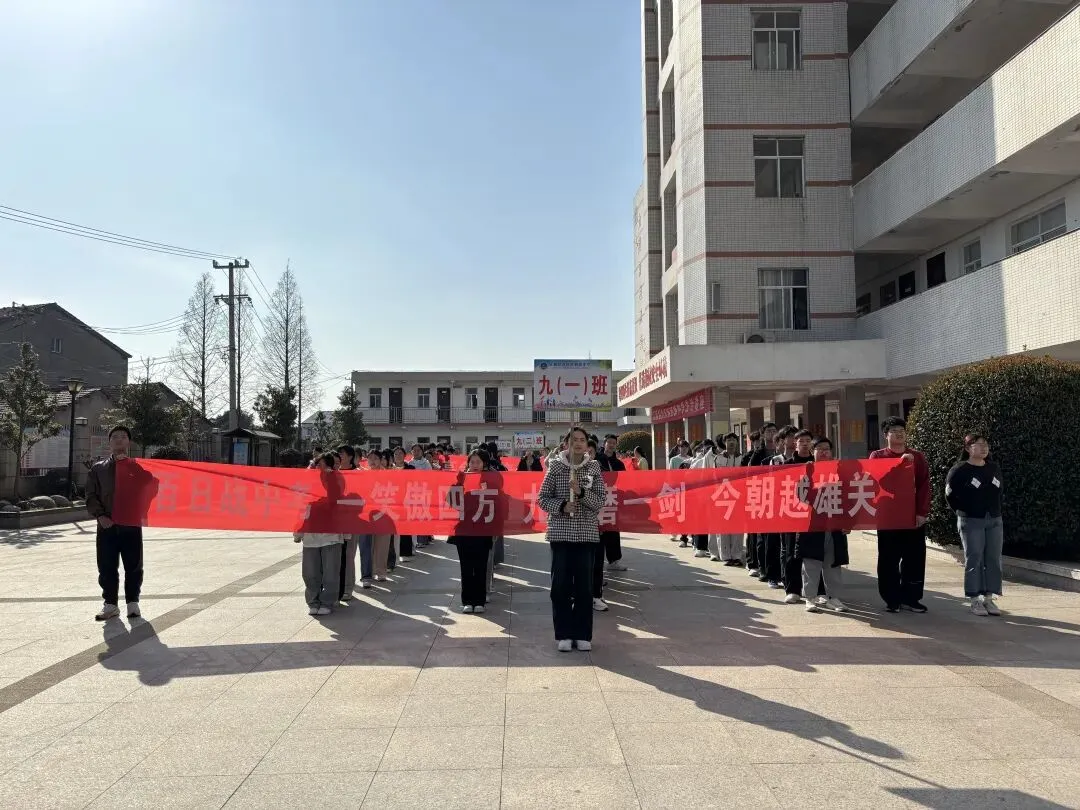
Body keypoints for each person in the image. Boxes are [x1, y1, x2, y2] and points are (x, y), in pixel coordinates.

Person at [538, 426, 607, 652]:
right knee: (560, 587)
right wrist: (561, 505)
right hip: (560, 534)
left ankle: (582, 634)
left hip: (586, 534)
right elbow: (542, 498)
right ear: (566, 443)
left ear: (587, 445)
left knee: (585, 588)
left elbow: (599, 502)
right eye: (574, 439)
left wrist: (581, 493)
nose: (578, 443)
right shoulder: (556, 466)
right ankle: (564, 634)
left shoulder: (593, 467)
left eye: (582, 440)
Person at [870, 417, 931, 613]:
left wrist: (922, 512)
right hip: (888, 518)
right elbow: (876, 481)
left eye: (902, 430)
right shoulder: (877, 456)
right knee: (889, 558)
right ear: (885, 435)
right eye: (894, 430)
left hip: (912, 517)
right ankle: (892, 598)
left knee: (914, 558)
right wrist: (899, 464)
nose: (899, 433)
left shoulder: (918, 457)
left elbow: (924, 486)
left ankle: (911, 598)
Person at [86, 425, 145, 621]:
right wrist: (101, 516)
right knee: (107, 565)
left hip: (131, 525)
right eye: (115, 437)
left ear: (129, 442)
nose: (119, 440)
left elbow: (150, 486)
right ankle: (110, 604)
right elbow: (91, 495)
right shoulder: (98, 468)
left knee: (133, 565)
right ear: (109, 442)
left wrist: (131, 466)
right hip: (107, 525)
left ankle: (132, 603)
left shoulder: (138, 467)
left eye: (123, 437)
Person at [946, 433, 1003, 617]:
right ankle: (974, 599)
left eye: (985, 444)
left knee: (993, 558)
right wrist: (962, 511)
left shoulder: (993, 468)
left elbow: (999, 491)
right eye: (978, 444)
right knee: (974, 558)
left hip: (994, 519)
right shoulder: (959, 470)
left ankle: (989, 597)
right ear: (968, 448)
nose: (983, 447)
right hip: (971, 520)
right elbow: (949, 494)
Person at [797, 436, 849, 613]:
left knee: (833, 563)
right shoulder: (806, 470)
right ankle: (810, 597)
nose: (824, 452)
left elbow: (849, 497)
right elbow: (800, 497)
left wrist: (848, 522)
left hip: (834, 524)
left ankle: (833, 598)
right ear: (813, 452)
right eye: (819, 448)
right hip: (812, 523)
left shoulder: (840, 469)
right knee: (811, 562)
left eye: (827, 448)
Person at [296, 452, 344, 616]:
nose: (321, 469)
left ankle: (327, 602)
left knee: (330, 573)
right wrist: (298, 530)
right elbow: (300, 509)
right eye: (318, 465)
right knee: (310, 572)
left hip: (331, 536)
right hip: (311, 536)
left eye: (324, 465)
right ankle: (313, 601)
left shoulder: (336, 483)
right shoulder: (308, 486)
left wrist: (331, 479)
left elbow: (339, 502)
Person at [448, 450, 495, 613]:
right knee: (466, 567)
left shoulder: (491, 480)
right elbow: (452, 502)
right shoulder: (462, 480)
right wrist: (458, 483)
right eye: (472, 462)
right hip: (464, 531)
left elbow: (498, 503)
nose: (475, 465)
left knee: (481, 567)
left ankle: (479, 600)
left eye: (478, 462)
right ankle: (467, 600)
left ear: (484, 464)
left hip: (483, 530)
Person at [713, 433, 744, 565]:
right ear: (724, 442)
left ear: (737, 442)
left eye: (733, 440)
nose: (731, 442)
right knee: (723, 527)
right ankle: (726, 556)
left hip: (738, 496)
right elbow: (715, 477)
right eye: (729, 440)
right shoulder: (718, 458)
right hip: (723, 495)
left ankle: (736, 555)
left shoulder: (742, 458)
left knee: (737, 527)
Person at [336, 444, 361, 602]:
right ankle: (336, 586)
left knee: (349, 554)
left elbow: (362, 497)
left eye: (342, 454)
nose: (340, 456)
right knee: (336, 555)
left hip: (351, 519)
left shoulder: (358, 474)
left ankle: (347, 588)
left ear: (350, 456)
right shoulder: (334, 474)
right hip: (335, 520)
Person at [366, 449, 393, 583]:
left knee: (382, 545)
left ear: (381, 459)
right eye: (370, 458)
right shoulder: (362, 475)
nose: (372, 461)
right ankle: (369, 571)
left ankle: (381, 571)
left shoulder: (387, 475)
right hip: (367, 515)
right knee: (368, 546)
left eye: (375, 458)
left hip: (384, 514)